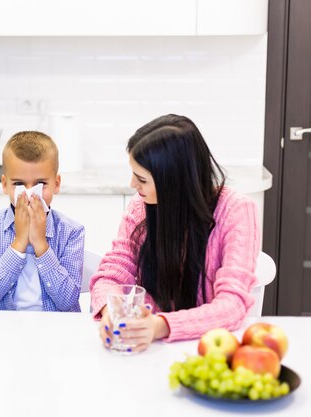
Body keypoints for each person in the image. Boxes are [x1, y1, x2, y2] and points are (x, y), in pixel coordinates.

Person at [90, 114, 260, 351]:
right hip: (148, 348)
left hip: (208, 348)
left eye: (141, 178)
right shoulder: (142, 204)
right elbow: (112, 273)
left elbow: (232, 304)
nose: (132, 185)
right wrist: (112, 310)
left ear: (173, 181)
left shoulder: (236, 210)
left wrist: (160, 326)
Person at [0, 131, 85, 311]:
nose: (30, 193)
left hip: (56, 329)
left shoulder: (71, 231)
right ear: (4, 185)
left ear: (56, 184)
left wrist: (41, 244)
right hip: (6, 329)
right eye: (18, 184)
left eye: (40, 183)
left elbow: (68, 301)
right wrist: (19, 243)